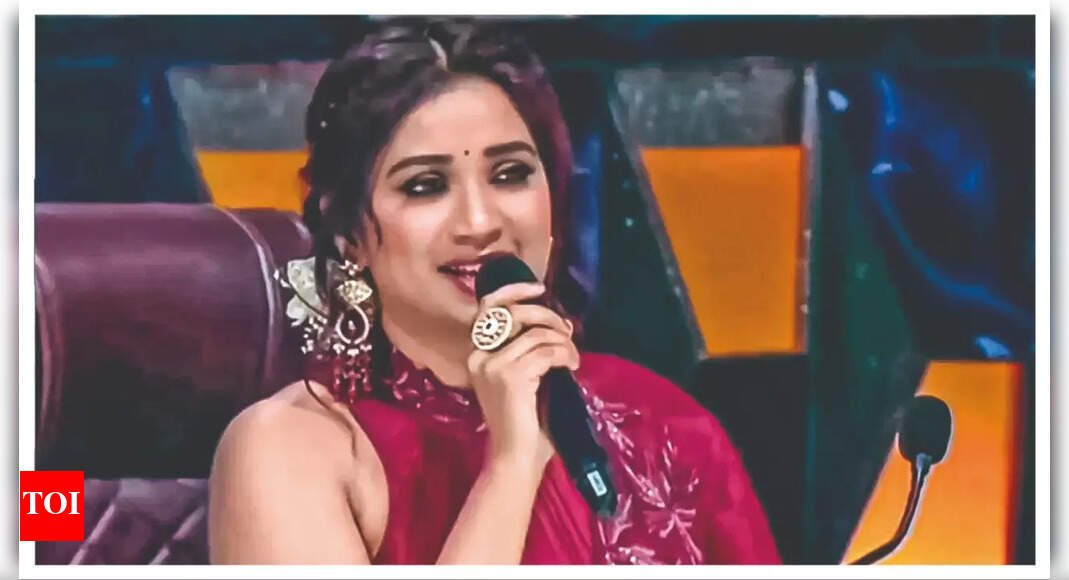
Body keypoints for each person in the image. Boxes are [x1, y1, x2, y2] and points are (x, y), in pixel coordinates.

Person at [207, 18, 781, 565]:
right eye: (426, 186)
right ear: (349, 233)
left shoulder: (661, 420)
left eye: (510, 175)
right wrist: (511, 463)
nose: (480, 222)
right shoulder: (292, 448)